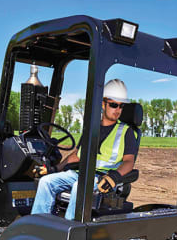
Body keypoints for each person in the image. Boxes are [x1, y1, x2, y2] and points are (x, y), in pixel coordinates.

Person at [31, 78, 140, 219]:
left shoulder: (126, 131)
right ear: (103, 103)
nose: (118, 110)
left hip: (103, 178)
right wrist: (54, 169)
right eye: (114, 105)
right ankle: (39, 225)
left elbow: (129, 161)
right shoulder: (90, 128)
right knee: (47, 182)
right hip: (82, 174)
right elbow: (76, 156)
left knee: (79, 187)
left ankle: (69, 229)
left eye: (121, 106)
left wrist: (114, 177)